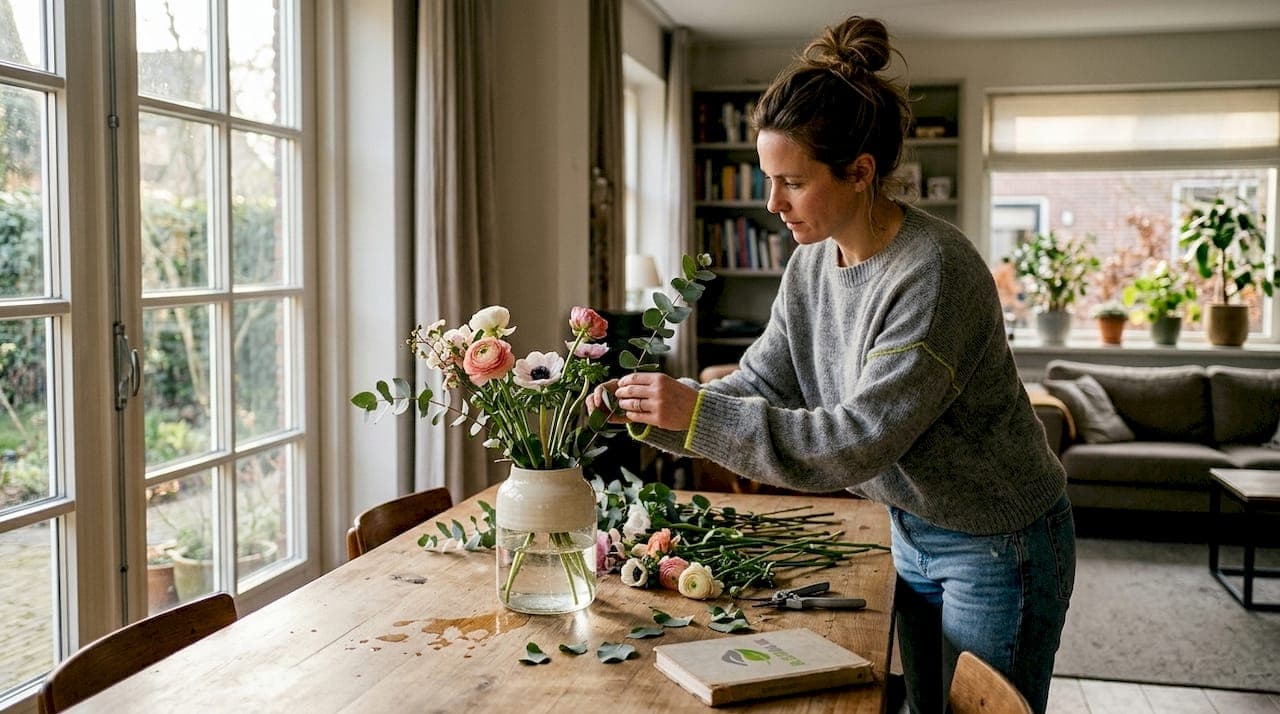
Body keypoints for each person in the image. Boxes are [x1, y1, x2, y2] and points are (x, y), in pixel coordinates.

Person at [587, 15, 1074, 714]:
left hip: (999, 544)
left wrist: (693, 413)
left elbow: (855, 441)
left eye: (791, 182)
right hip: (910, 524)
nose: (771, 204)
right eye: (766, 179)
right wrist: (640, 403)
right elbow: (761, 381)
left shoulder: (934, 272)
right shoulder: (812, 262)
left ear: (860, 173)